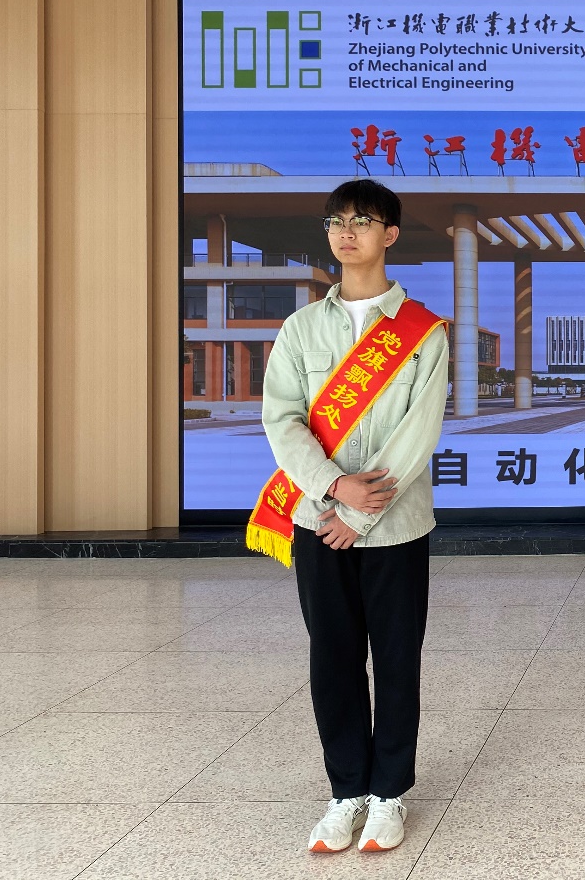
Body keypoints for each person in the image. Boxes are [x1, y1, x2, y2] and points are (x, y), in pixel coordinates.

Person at [258, 179, 449, 854]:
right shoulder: (300, 328)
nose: (346, 231)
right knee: (332, 659)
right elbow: (282, 420)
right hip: (319, 523)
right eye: (336, 221)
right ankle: (346, 792)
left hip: (395, 527)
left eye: (363, 220)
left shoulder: (424, 332)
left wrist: (360, 514)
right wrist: (334, 488)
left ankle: (390, 792)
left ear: (389, 234)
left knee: (396, 659)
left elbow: (417, 434)